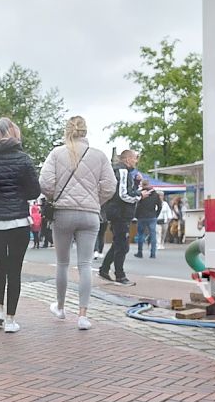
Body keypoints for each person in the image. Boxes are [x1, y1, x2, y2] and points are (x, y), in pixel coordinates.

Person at [39, 116, 116, 330]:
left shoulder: (56, 153)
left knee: (62, 263)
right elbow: (110, 186)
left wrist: (56, 197)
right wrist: (94, 200)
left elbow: (45, 183)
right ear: (85, 131)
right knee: (85, 265)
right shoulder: (99, 156)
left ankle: (61, 307)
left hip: (63, 213)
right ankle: (83, 315)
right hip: (90, 214)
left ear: (67, 131)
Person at [0, 117, 40, 333]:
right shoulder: (24, 159)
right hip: (18, 222)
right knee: (15, 270)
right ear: (15, 134)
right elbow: (34, 191)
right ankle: (11, 320)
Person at [98, 150, 142, 286]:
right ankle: (120, 276)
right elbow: (123, 195)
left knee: (118, 243)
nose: (136, 161)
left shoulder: (122, 172)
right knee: (122, 245)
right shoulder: (122, 172)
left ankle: (104, 270)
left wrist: (135, 183)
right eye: (135, 159)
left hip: (117, 212)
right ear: (127, 159)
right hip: (120, 213)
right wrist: (139, 196)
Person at [134, 181, 163, 259]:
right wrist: (156, 215)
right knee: (153, 235)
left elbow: (136, 205)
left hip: (141, 217)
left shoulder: (141, 194)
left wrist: (136, 215)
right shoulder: (155, 194)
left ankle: (140, 252)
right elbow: (159, 206)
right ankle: (153, 253)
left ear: (143, 185)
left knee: (140, 234)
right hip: (152, 217)